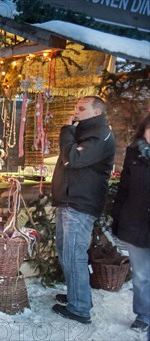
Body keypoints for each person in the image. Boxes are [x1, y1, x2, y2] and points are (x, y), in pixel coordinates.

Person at [51, 95, 116, 324]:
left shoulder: (100, 134)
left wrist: (66, 130)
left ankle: (79, 309)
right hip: (69, 201)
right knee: (66, 252)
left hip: (80, 204)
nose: (75, 112)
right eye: (75, 108)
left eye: (81, 108)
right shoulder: (85, 131)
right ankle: (77, 297)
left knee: (74, 255)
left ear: (96, 112)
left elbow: (72, 158)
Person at [111, 112, 150, 333]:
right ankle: (144, 314)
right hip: (136, 222)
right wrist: (118, 216)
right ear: (144, 130)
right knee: (142, 275)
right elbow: (123, 188)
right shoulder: (134, 154)